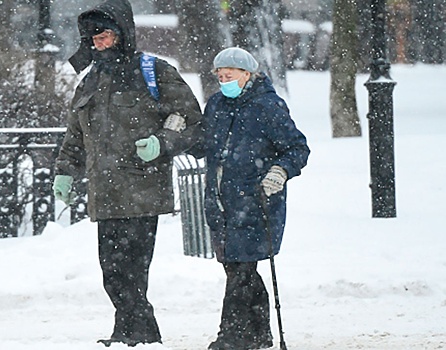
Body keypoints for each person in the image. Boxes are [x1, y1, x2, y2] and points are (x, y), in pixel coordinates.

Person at [52, 0, 203, 346]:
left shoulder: (154, 71)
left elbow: (191, 120)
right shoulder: (91, 80)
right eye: (92, 38)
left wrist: (162, 143)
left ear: (121, 33)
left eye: (103, 35)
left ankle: (140, 335)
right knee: (113, 273)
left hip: (142, 190)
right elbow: (76, 134)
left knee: (133, 272)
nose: (97, 43)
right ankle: (130, 333)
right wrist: (66, 172)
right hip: (105, 193)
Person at [189, 47, 310, 350]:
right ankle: (259, 333)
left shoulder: (268, 106)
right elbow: (205, 145)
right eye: (220, 75)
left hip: (255, 203)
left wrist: (280, 171)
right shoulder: (216, 104)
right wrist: (180, 136)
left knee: (241, 269)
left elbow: (297, 148)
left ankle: (231, 336)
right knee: (239, 269)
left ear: (247, 75)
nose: (224, 78)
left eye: (230, 74)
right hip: (221, 203)